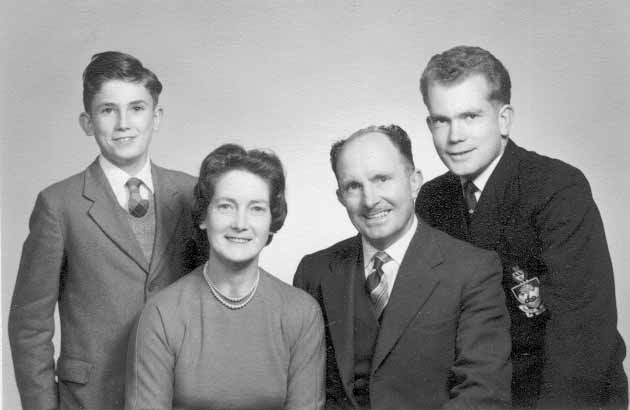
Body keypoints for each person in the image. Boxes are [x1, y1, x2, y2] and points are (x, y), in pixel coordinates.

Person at [416, 45, 627, 409]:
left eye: (470, 116)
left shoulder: (557, 188)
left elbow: (582, 335)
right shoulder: (433, 199)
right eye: (441, 120)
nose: (455, 136)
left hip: (560, 394)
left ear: (504, 119)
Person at [8, 51, 198, 410]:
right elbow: (28, 325)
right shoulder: (59, 205)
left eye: (137, 108)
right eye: (108, 110)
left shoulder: (192, 194)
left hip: (180, 394)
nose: (124, 123)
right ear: (87, 122)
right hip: (92, 398)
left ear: (156, 117)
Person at [294, 125, 511, 410]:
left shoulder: (473, 270)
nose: (370, 200)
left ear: (414, 182)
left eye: (381, 179)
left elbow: (484, 393)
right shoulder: (315, 271)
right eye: (353, 186)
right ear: (340, 197)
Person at [125, 144, 325, 410]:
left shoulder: (301, 313)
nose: (240, 223)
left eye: (256, 208)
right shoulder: (162, 314)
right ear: (204, 217)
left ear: (271, 222)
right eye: (226, 206)